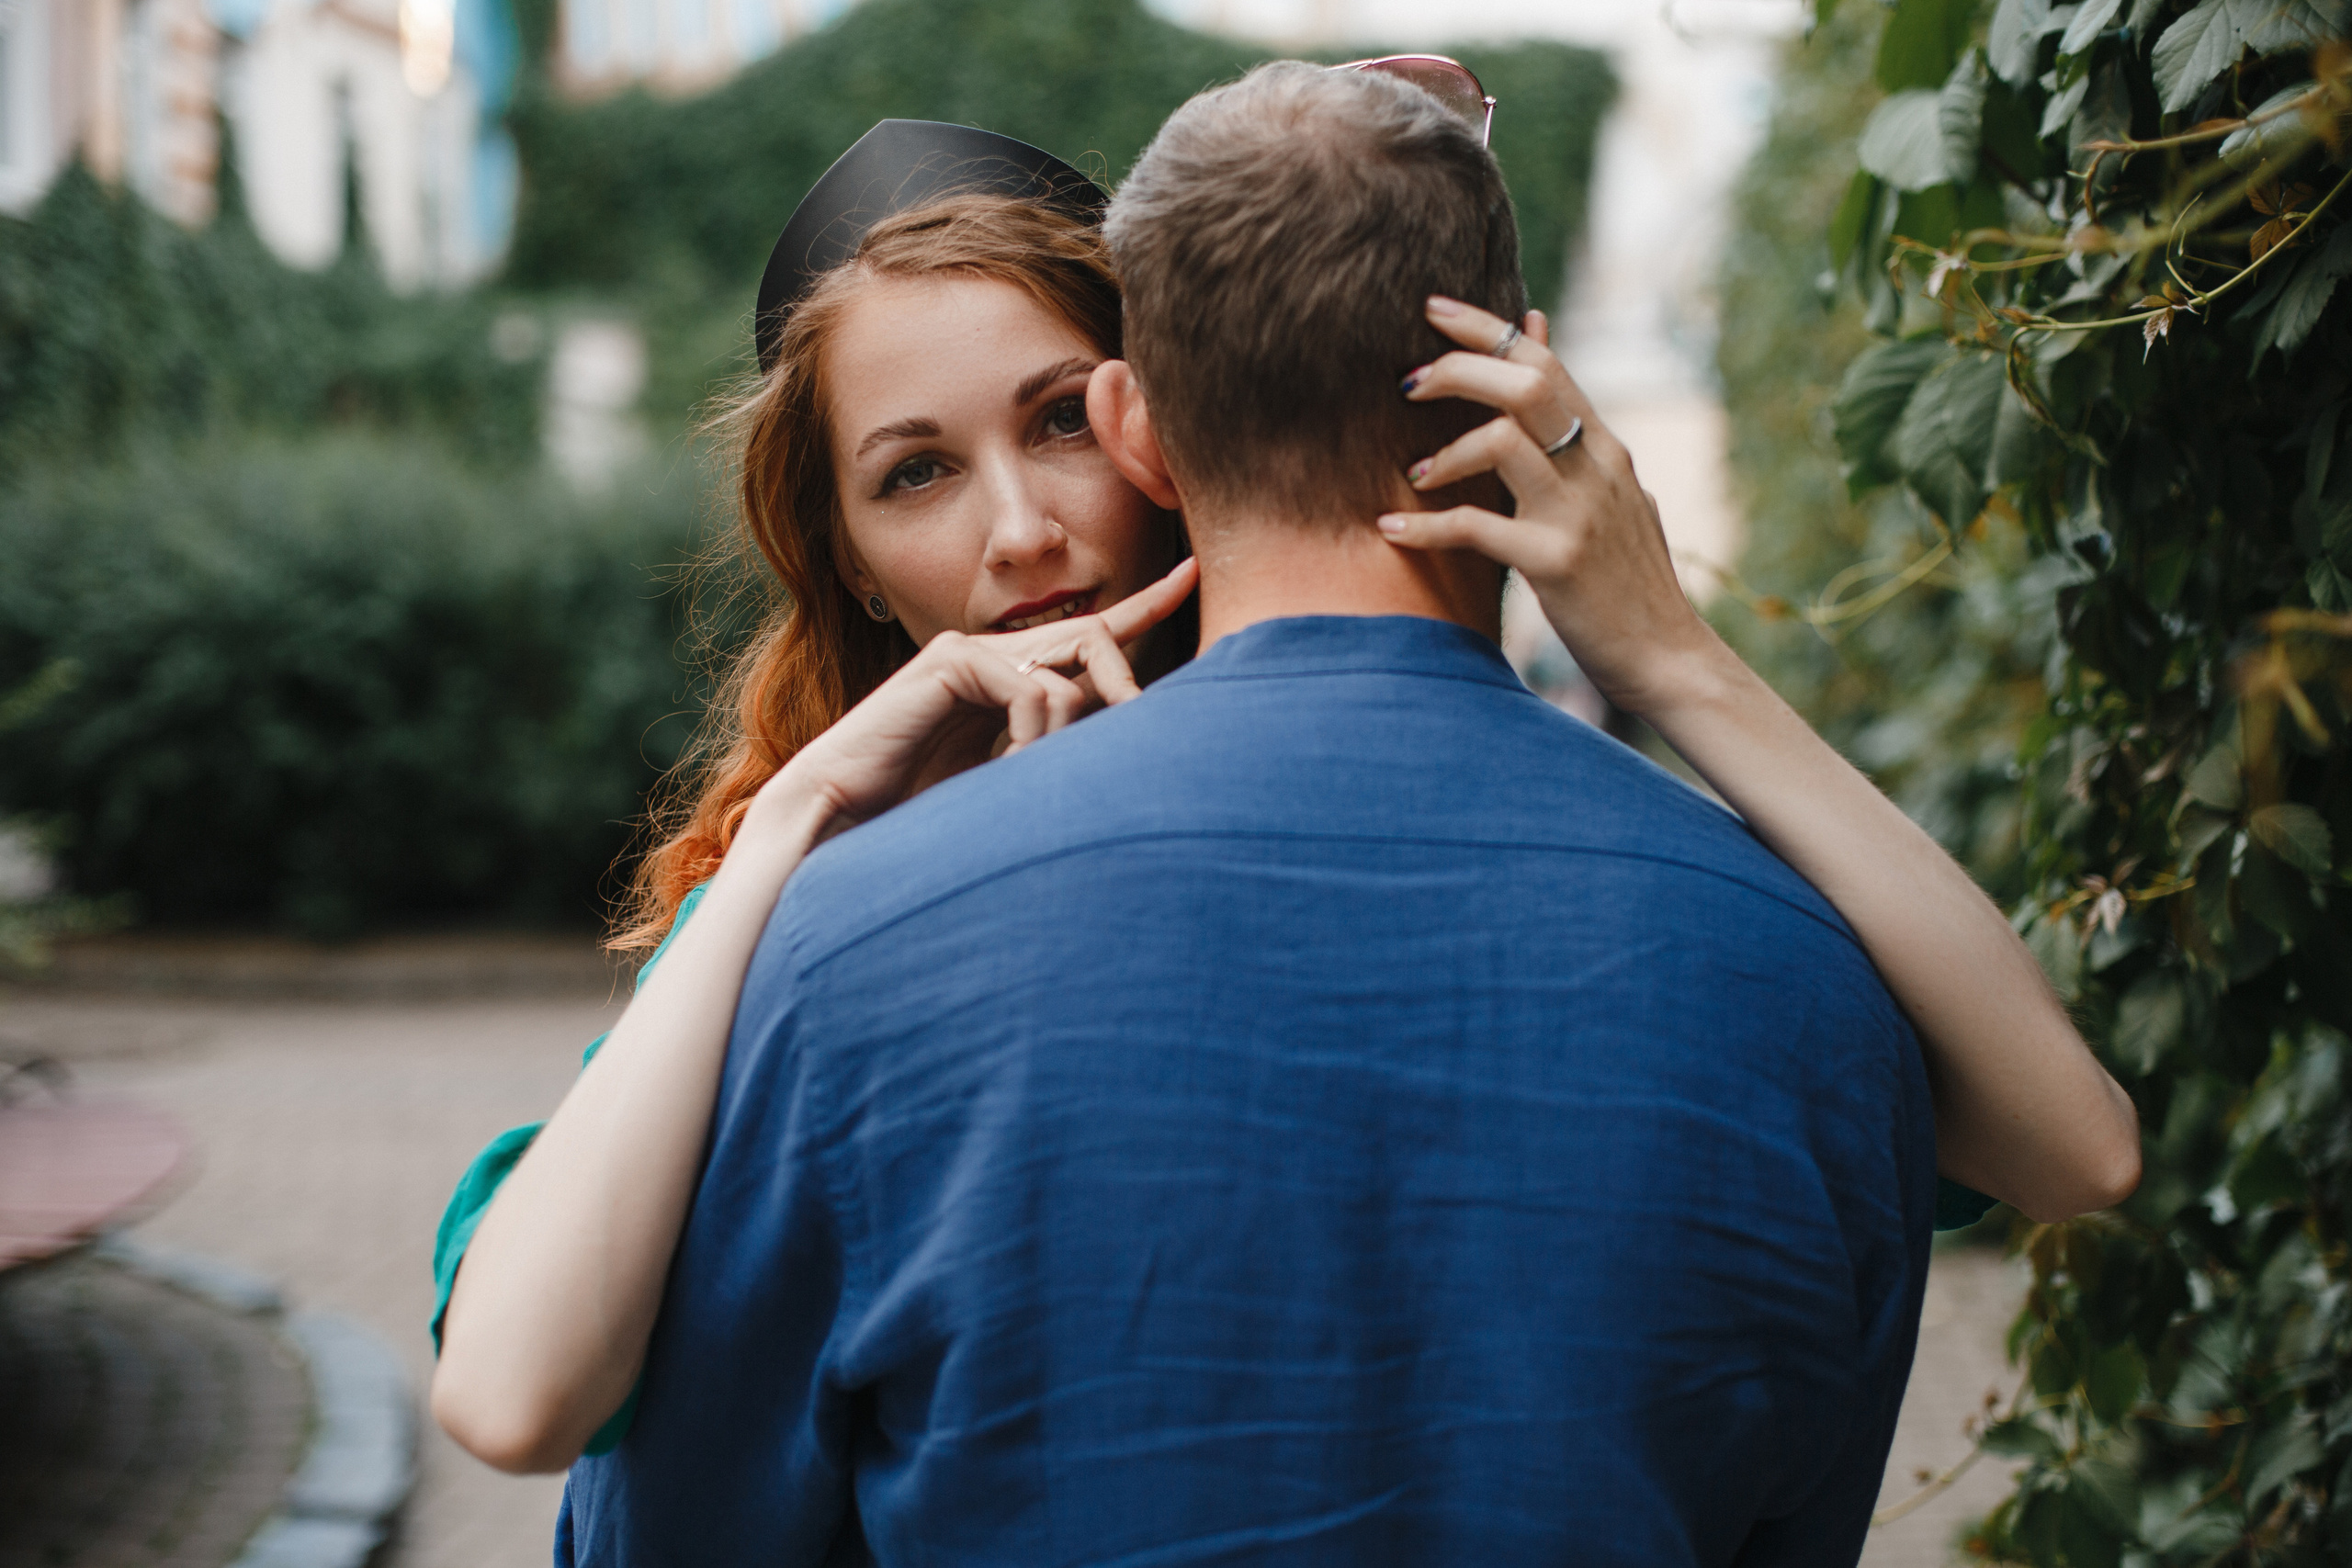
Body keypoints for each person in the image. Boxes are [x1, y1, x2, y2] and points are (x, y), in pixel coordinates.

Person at [432, 77, 2139, 1560]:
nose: (1023, 535)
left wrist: (1674, 659)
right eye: (916, 472)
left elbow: (2060, 1146)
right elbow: (520, 1373)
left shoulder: (837, 965)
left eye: (1053, 422)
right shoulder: (800, 933)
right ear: (850, 565)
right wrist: (799, 825)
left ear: (1152, 422)